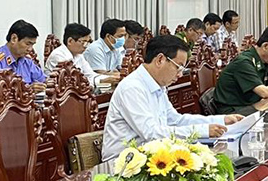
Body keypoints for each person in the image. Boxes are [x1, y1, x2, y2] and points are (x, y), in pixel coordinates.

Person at [101, 35, 240, 161]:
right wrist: (203, 131)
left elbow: (176, 121)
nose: (180, 75)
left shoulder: (158, 85)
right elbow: (152, 133)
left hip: (152, 156)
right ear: (160, 60)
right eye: (178, 67)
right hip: (124, 163)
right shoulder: (132, 88)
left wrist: (222, 120)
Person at [0, 19, 47, 114]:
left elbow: (43, 80)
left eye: (33, 45)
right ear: (14, 39)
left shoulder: (26, 61)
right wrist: (27, 91)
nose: (30, 49)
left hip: (22, 113)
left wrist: (43, 86)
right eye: (28, 44)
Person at [213, 26, 268, 115]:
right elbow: (264, 92)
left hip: (251, 106)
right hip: (233, 111)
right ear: (265, 46)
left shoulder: (264, 62)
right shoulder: (244, 62)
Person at [45, 23, 106, 87]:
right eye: (83, 42)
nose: (86, 46)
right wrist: (99, 81)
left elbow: (90, 75)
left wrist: (108, 79)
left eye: (88, 42)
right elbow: (72, 82)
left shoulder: (79, 55)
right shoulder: (58, 55)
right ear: (70, 41)